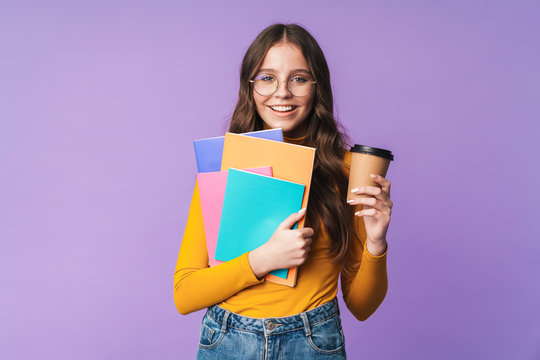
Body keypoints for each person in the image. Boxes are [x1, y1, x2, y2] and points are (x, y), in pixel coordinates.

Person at [174, 23, 393, 359]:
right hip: (229, 341)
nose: (282, 92)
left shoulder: (349, 169)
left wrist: (376, 243)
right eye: (267, 78)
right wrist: (263, 260)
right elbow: (185, 294)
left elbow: (362, 306)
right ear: (250, 87)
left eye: (299, 78)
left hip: (313, 342)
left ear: (317, 87)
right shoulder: (224, 163)